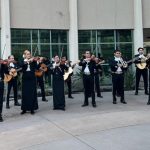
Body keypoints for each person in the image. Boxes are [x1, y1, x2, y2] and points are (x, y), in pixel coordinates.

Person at [19, 50, 39, 114]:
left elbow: (37, 68)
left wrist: (36, 61)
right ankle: (24, 109)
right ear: (24, 55)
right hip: (25, 80)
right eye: (27, 54)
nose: (29, 55)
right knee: (25, 94)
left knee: (32, 94)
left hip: (32, 79)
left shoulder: (33, 61)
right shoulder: (22, 61)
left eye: (29, 54)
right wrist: (26, 61)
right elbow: (20, 65)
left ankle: (32, 109)